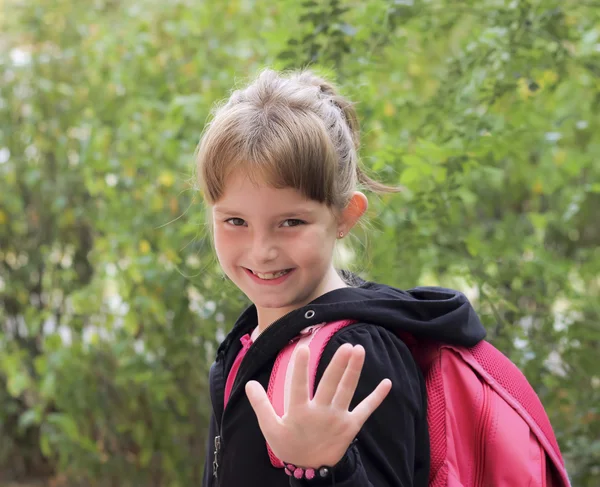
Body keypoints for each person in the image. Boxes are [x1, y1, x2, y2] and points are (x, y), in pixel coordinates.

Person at [198, 69, 486, 486]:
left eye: (291, 221)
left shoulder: (356, 356)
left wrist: (318, 469)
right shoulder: (252, 339)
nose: (262, 250)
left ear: (344, 216)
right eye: (236, 220)